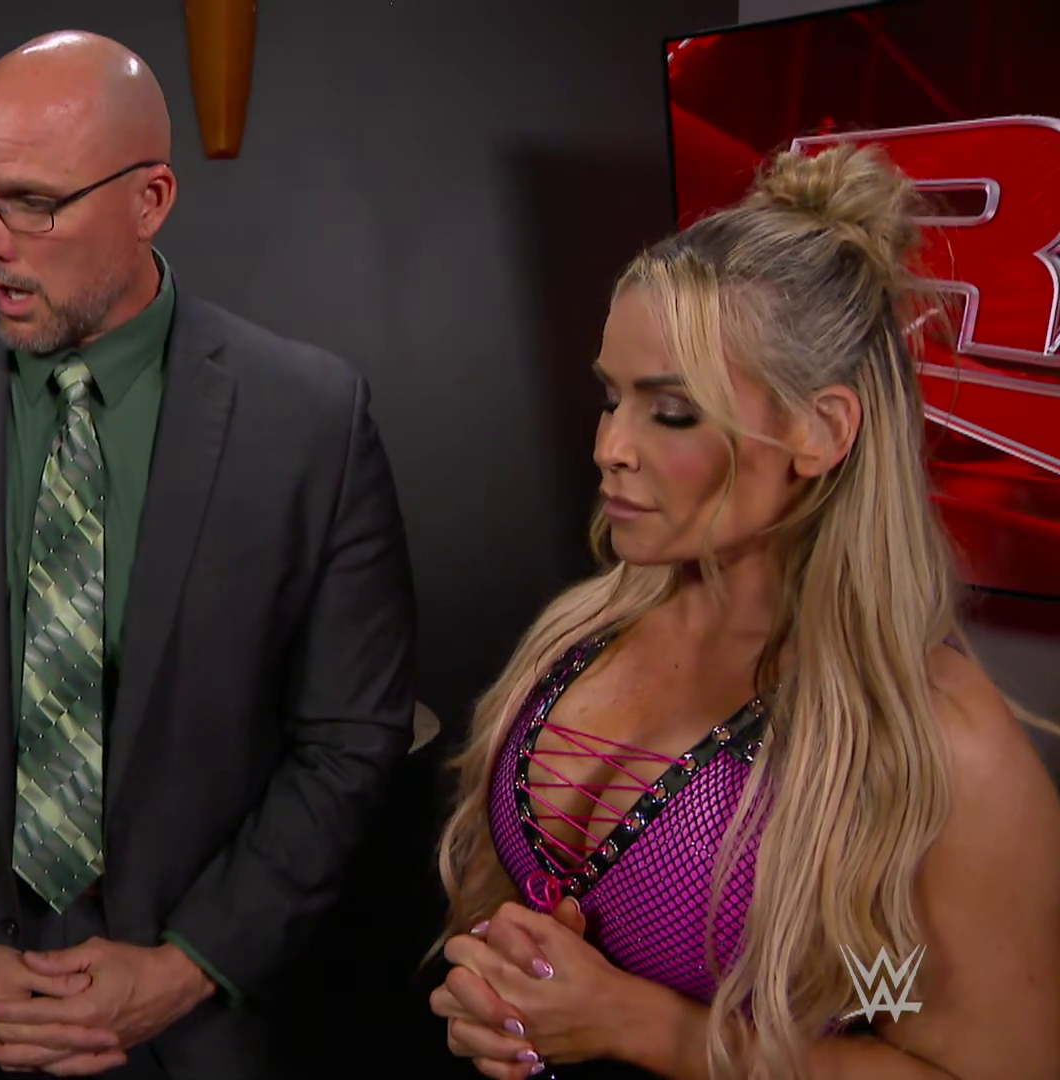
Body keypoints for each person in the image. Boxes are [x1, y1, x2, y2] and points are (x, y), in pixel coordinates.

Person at [0, 29, 418, 1080]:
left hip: (201, 1039)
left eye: (32, 204)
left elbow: (350, 738)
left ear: (150, 199)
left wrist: (187, 966)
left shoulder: (311, 421)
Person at [428, 144, 1060, 1079]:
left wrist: (647, 1028)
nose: (609, 447)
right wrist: (495, 991)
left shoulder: (930, 748)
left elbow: (952, 1053)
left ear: (820, 430)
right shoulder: (577, 636)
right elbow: (505, 920)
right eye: (611, 397)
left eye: (671, 410)